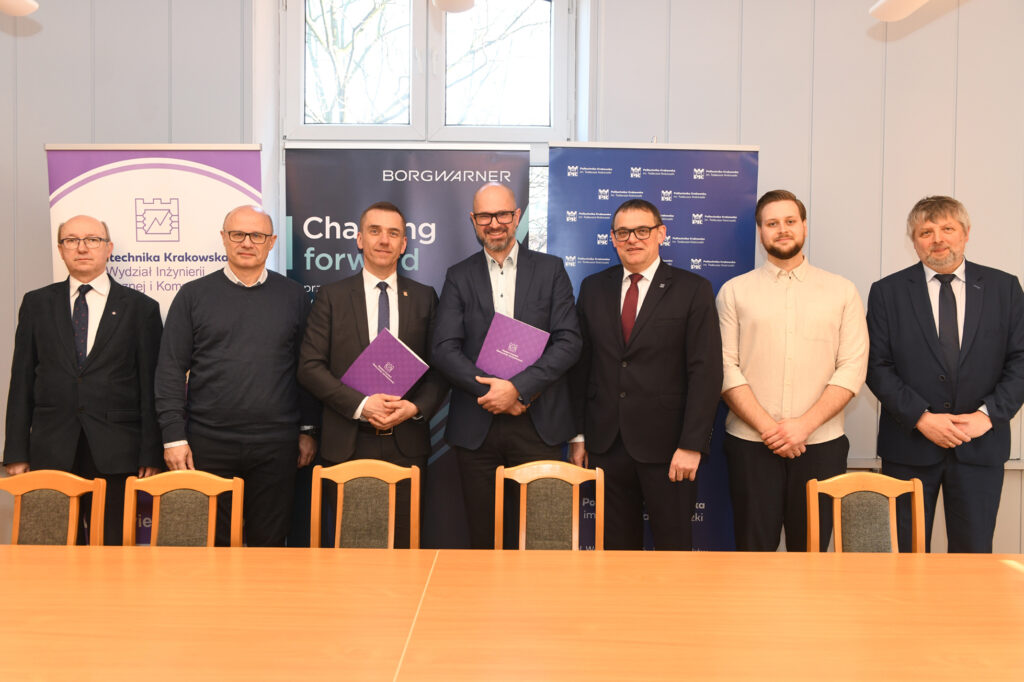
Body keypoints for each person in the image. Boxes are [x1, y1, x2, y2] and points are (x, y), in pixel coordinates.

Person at [866, 195, 1024, 553]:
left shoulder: (1004, 288)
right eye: (926, 232)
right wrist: (921, 418)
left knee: (972, 557)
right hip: (908, 448)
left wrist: (987, 416)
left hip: (980, 447)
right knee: (905, 558)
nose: (937, 239)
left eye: (947, 229)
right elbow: (876, 365)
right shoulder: (887, 292)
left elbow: (1020, 360)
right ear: (914, 241)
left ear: (965, 234)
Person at [155, 205, 318, 546]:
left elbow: (305, 368)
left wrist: (307, 429)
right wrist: (173, 437)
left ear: (271, 242)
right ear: (224, 238)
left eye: (257, 235)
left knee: (269, 546)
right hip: (207, 443)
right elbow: (170, 369)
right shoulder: (193, 295)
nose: (247, 242)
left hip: (276, 444)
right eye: (238, 234)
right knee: (210, 546)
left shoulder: (293, 296)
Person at [431, 182, 582, 549]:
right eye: (485, 216)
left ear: (516, 216)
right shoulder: (458, 275)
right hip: (476, 426)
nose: (494, 223)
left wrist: (517, 389)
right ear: (473, 220)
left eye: (502, 214)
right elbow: (444, 348)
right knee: (485, 540)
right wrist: (493, 391)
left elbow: (568, 341)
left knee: (544, 540)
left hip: (539, 422)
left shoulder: (550, 270)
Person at [717, 190, 869, 551]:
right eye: (772, 223)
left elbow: (851, 367)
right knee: (754, 553)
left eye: (790, 221)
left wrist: (802, 426)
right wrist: (770, 429)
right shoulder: (734, 292)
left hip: (821, 445)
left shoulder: (842, 291)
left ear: (804, 226)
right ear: (760, 232)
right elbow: (725, 367)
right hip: (751, 445)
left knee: (812, 553)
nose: (782, 229)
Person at [569, 199, 722, 550]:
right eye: (623, 232)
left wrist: (691, 444)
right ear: (612, 238)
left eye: (642, 230)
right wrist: (578, 435)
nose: (632, 240)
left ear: (661, 234)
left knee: (673, 550)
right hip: (606, 445)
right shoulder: (593, 288)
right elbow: (581, 368)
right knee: (615, 554)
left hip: (670, 449)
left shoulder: (693, 289)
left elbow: (706, 371)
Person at [4, 215, 163, 544]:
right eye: (71, 240)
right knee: (55, 551)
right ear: (60, 249)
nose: (82, 248)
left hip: (118, 452)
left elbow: (151, 386)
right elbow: (21, 381)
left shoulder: (141, 308)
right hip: (51, 449)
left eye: (92, 240)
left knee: (113, 552)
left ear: (108, 248)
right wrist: (16, 451)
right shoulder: (36, 304)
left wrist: (151, 452)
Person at [298, 201, 447, 547]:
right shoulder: (331, 297)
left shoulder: (424, 298)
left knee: (405, 547)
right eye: (375, 231)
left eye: (393, 233)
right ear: (359, 239)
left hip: (406, 442)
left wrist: (415, 408)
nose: (384, 240)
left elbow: (441, 369)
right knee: (349, 549)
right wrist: (362, 405)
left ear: (404, 244)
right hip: (346, 442)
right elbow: (309, 367)